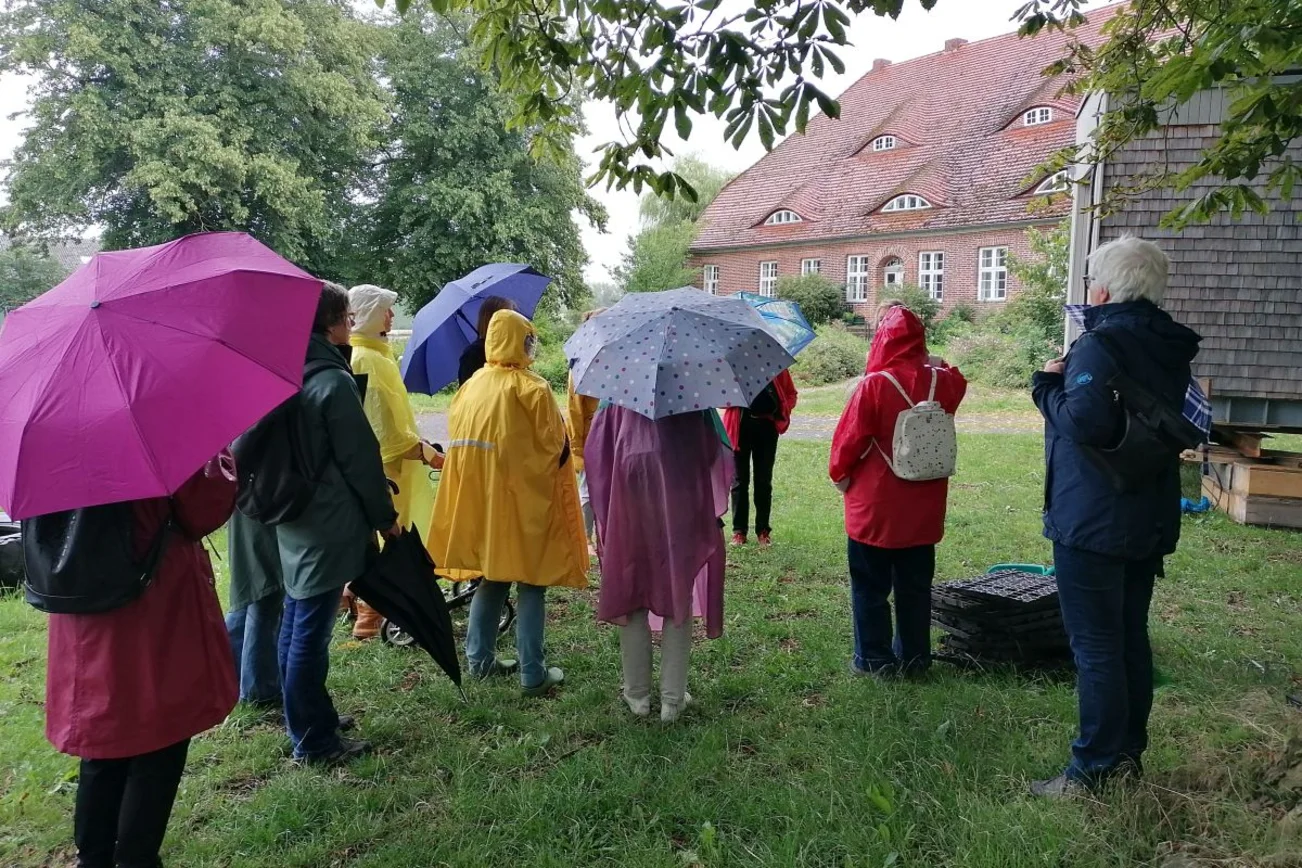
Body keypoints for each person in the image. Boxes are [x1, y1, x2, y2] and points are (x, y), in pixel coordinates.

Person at [1029, 236, 1200, 797]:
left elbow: (1087, 424)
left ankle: (1092, 769)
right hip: (1147, 510)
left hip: (1093, 517)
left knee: (1097, 645)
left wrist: (1046, 385)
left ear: (1102, 289)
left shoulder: (1100, 343)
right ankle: (1126, 756)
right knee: (1128, 637)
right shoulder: (1168, 345)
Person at [46, 453, 239, 868]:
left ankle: (93, 858)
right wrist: (217, 455)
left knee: (105, 740)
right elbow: (203, 507)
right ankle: (136, 858)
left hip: (82, 604)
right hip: (150, 605)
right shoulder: (151, 433)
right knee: (160, 737)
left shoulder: (49, 438)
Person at [429, 309, 588, 697]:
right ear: (522, 340)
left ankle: (479, 661)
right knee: (532, 582)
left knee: (494, 576)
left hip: (483, 503)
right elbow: (556, 446)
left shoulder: (472, 386)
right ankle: (533, 673)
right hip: (526, 502)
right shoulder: (533, 388)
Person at [275, 281, 399, 764]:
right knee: (309, 630)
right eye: (346, 316)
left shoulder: (288, 369)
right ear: (332, 323)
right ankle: (314, 741)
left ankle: (308, 717)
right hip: (326, 522)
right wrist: (384, 518)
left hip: (295, 516)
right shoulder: (331, 380)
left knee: (295, 620)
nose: (350, 323)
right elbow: (359, 459)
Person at [829, 306, 967, 678]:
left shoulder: (874, 385)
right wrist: (935, 362)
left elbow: (849, 440)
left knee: (870, 585)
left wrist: (839, 475)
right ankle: (915, 658)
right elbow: (958, 379)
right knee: (915, 587)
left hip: (876, 503)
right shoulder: (944, 383)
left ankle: (874, 660)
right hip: (924, 504)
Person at [586, 405, 732, 723]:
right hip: (679, 503)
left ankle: (637, 694)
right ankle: (672, 699)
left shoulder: (617, 395)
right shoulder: (692, 396)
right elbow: (713, 452)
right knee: (678, 591)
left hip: (628, 503)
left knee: (632, 590)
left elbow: (596, 458)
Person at [346, 283, 443, 640]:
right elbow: (382, 426)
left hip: (391, 461)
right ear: (367, 313)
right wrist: (426, 453)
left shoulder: (373, 354)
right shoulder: (367, 359)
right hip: (389, 466)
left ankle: (353, 599)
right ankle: (370, 614)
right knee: (394, 536)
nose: (390, 316)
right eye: (384, 309)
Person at [726, 370, 798, 547]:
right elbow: (722, 399)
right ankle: (739, 531)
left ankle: (763, 531)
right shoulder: (731, 366)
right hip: (740, 427)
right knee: (739, 481)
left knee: (763, 481)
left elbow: (791, 394)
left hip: (766, 427)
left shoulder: (774, 365)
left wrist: (780, 412)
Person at [225, 510, 284, 707]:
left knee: (250, 596)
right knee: (264, 594)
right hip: (260, 510)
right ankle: (260, 691)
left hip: (247, 510)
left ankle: (227, 675)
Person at [566, 307, 605, 548]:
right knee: (587, 491)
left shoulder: (621, 358)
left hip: (614, 437)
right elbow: (574, 411)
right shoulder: (580, 363)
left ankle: (607, 536)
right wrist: (577, 450)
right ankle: (586, 540)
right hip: (591, 438)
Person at [457, 295, 518, 387]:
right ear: (491, 319)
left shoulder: (514, 349)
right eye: (508, 317)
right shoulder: (473, 354)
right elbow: (470, 392)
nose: (514, 322)